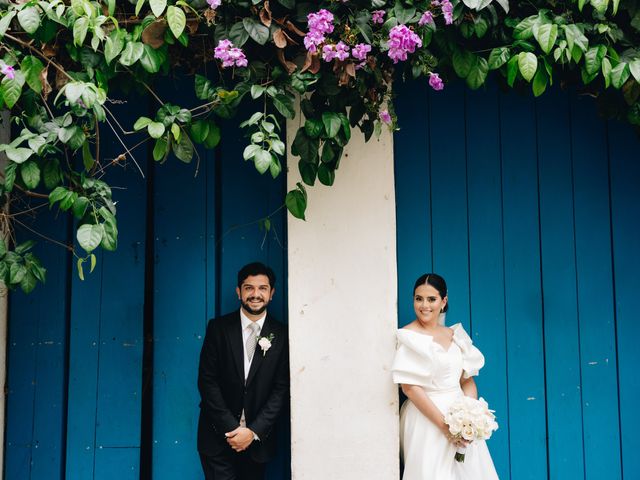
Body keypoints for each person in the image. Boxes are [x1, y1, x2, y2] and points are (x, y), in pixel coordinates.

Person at [391, 273, 499, 480]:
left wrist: (469, 417)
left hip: (459, 418)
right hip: (428, 419)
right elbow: (410, 388)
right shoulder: (410, 336)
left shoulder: (455, 335)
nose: (424, 305)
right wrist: (446, 427)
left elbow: (467, 381)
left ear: (444, 301)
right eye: (418, 298)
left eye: (431, 299)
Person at [197, 262, 289, 480]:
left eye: (262, 288)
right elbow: (207, 381)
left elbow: (281, 388)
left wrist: (252, 432)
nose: (255, 294)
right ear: (239, 292)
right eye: (249, 288)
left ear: (272, 293)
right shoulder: (218, 328)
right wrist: (232, 429)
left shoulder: (283, 335)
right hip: (217, 437)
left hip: (258, 442)